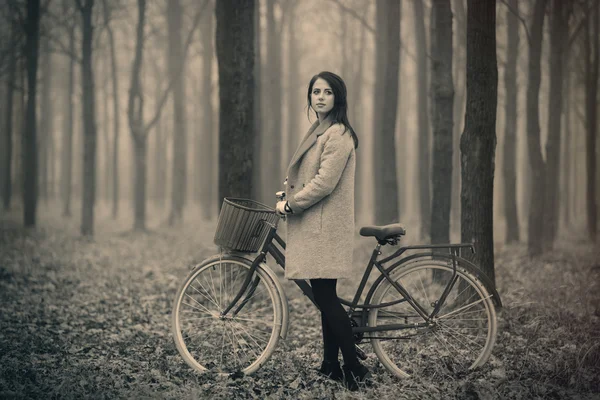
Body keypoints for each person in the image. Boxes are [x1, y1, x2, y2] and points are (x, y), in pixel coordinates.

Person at [275, 71, 371, 391]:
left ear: (337, 98)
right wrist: (290, 195)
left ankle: (354, 368)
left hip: (324, 228)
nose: (320, 97)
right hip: (317, 225)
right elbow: (309, 177)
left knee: (326, 299)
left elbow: (324, 183)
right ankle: (331, 365)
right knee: (324, 298)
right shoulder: (320, 131)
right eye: (315, 91)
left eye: (327, 92)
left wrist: (292, 205)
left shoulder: (338, 134)